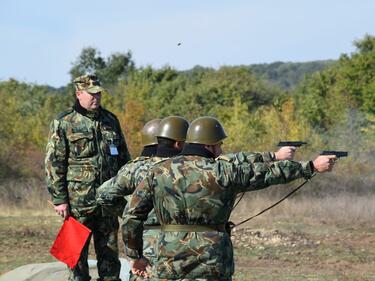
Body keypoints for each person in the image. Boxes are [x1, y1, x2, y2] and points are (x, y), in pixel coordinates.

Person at [122, 116, 337, 281]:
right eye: (219, 145)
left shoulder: (158, 171)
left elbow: (132, 214)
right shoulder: (225, 171)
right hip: (213, 257)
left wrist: (135, 255)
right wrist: (310, 167)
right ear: (209, 145)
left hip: (169, 255)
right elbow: (267, 173)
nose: (221, 149)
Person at [45, 74, 131, 281]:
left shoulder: (110, 120)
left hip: (108, 201)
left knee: (110, 255)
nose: (96, 98)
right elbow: (54, 163)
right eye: (91, 94)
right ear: (79, 94)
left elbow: (124, 159)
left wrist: (127, 191)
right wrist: (60, 199)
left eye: (99, 93)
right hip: (77, 202)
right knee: (75, 258)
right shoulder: (64, 122)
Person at [97, 116, 189, 280]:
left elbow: (104, 194)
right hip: (183, 241)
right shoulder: (187, 168)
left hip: (144, 243)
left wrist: (128, 212)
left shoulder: (136, 168)